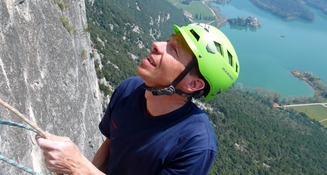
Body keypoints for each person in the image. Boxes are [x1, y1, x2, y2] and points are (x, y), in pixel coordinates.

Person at [36, 23, 240, 175]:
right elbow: (111, 145)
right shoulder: (129, 89)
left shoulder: (195, 144)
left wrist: (77, 166)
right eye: (168, 41)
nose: (157, 45)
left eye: (173, 50)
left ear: (193, 85)